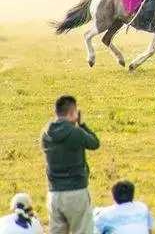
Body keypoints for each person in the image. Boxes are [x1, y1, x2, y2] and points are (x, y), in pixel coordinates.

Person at [41, 95, 100, 234]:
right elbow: (94, 143)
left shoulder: (45, 134)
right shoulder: (76, 133)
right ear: (73, 113)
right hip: (76, 191)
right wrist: (82, 124)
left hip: (54, 193)